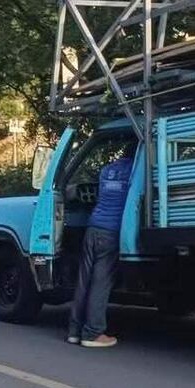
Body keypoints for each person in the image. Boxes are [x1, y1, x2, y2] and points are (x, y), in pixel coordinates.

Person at [68, 143, 136, 348]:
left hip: (93, 227)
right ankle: (93, 333)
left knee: (84, 281)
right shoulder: (134, 170)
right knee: (100, 283)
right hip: (111, 232)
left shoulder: (107, 170)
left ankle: (74, 331)